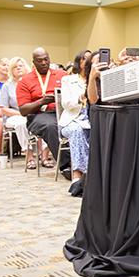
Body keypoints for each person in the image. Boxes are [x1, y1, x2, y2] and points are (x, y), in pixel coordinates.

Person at [16, 47, 65, 172]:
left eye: (46, 59)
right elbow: (23, 110)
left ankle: (84, 164)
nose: (43, 63)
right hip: (38, 115)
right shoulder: (25, 81)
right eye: (39, 61)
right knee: (51, 127)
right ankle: (67, 166)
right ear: (33, 63)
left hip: (63, 112)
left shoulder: (61, 75)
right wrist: (42, 101)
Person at [59, 51, 91, 197]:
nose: (88, 60)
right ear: (79, 61)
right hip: (72, 120)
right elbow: (66, 103)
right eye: (84, 58)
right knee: (77, 131)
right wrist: (81, 97)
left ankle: (92, 176)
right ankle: (78, 176)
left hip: (91, 120)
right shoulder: (68, 80)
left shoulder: (96, 79)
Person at [0, 57, 31, 159]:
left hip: (31, 113)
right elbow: (3, 109)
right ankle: (28, 154)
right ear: (11, 70)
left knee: (44, 122)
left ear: (26, 68)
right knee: (21, 123)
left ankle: (44, 156)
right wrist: (21, 113)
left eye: (21, 66)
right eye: (15, 67)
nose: (19, 68)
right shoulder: (7, 86)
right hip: (13, 115)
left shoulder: (31, 83)